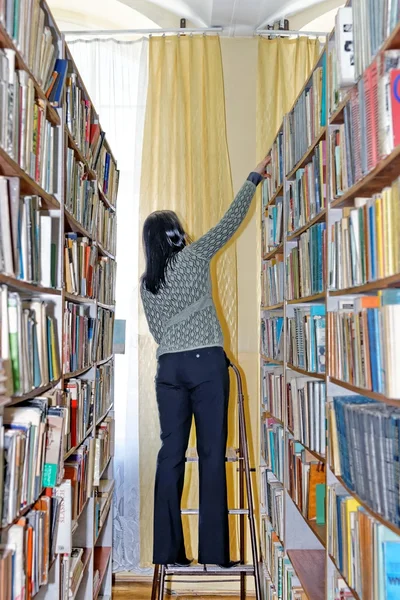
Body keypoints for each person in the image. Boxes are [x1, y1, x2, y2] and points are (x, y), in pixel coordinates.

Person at [141, 154, 271, 568]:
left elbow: (160, 336)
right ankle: (216, 555)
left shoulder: (146, 285)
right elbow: (230, 222)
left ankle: (168, 554)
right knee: (213, 454)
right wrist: (253, 177)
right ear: (176, 235)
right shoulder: (194, 258)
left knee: (170, 456)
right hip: (205, 365)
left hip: (169, 371)